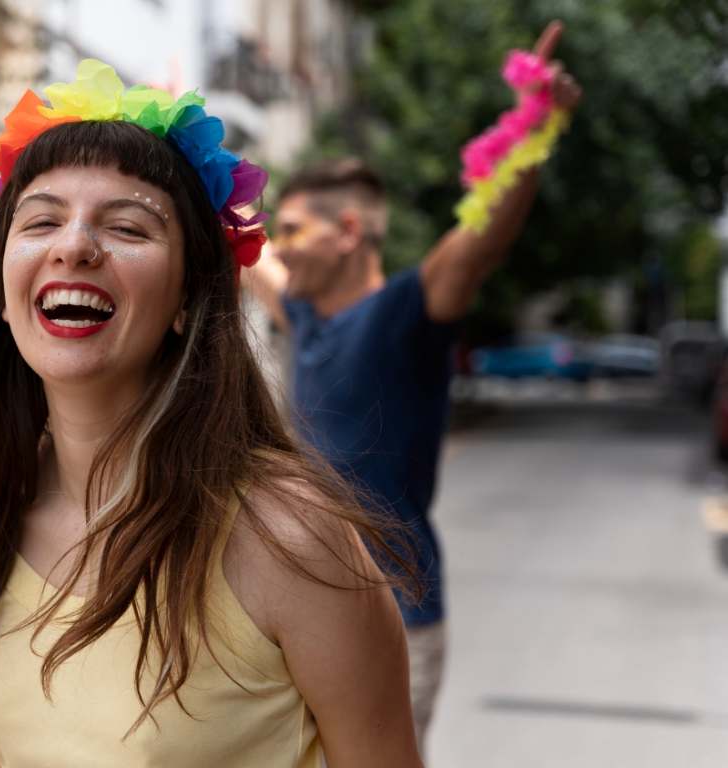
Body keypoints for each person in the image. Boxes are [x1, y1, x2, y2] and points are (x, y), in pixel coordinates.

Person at [0, 59, 424, 766]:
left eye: (127, 227)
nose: (74, 246)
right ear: (3, 289)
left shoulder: (290, 538)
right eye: (41, 221)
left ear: (189, 299)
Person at [242, 23, 583, 750]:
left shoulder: (405, 311)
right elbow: (241, 244)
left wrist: (534, 126)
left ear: (350, 232)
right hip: (300, 611)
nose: (280, 243)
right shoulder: (301, 316)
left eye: (294, 229)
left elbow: (483, 237)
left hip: (400, 614)